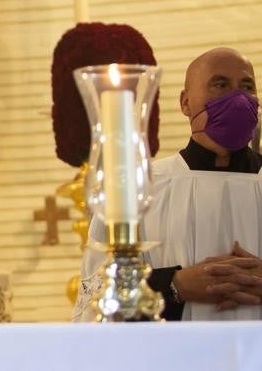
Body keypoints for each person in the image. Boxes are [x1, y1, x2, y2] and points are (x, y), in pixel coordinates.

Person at [75, 47, 262, 321]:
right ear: (185, 103)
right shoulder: (139, 186)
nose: (237, 97)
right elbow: (96, 299)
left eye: (247, 86)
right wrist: (175, 285)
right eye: (220, 85)